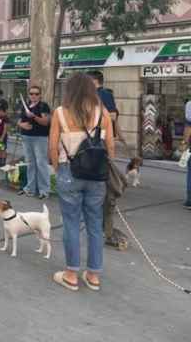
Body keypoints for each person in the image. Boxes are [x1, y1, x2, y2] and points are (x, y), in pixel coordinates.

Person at [49, 73, 115, 292]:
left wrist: (59, 169)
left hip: (70, 171)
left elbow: (52, 147)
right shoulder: (102, 113)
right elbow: (111, 147)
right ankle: (93, 275)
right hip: (97, 175)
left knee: (71, 223)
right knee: (95, 223)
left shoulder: (60, 112)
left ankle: (71, 274)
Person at [87, 71, 126, 248]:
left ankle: (106, 230)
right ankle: (103, 227)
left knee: (106, 188)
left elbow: (112, 116)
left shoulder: (103, 94)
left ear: (94, 81)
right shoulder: (90, 96)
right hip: (95, 144)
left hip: (100, 143)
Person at [17, 85, 51, 199]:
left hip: (40, 138)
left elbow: (45, 122)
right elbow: (19, 121)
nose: (34, 96)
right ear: (29, 95)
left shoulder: (43, 106)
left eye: (36, 94)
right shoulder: (25, 105)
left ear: (40, 95)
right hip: (26, 137)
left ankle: (44, 191)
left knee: (41, 163)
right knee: (30, 163)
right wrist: (22, 125)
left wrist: (34, 117)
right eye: (31, 94)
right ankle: (30, 189)